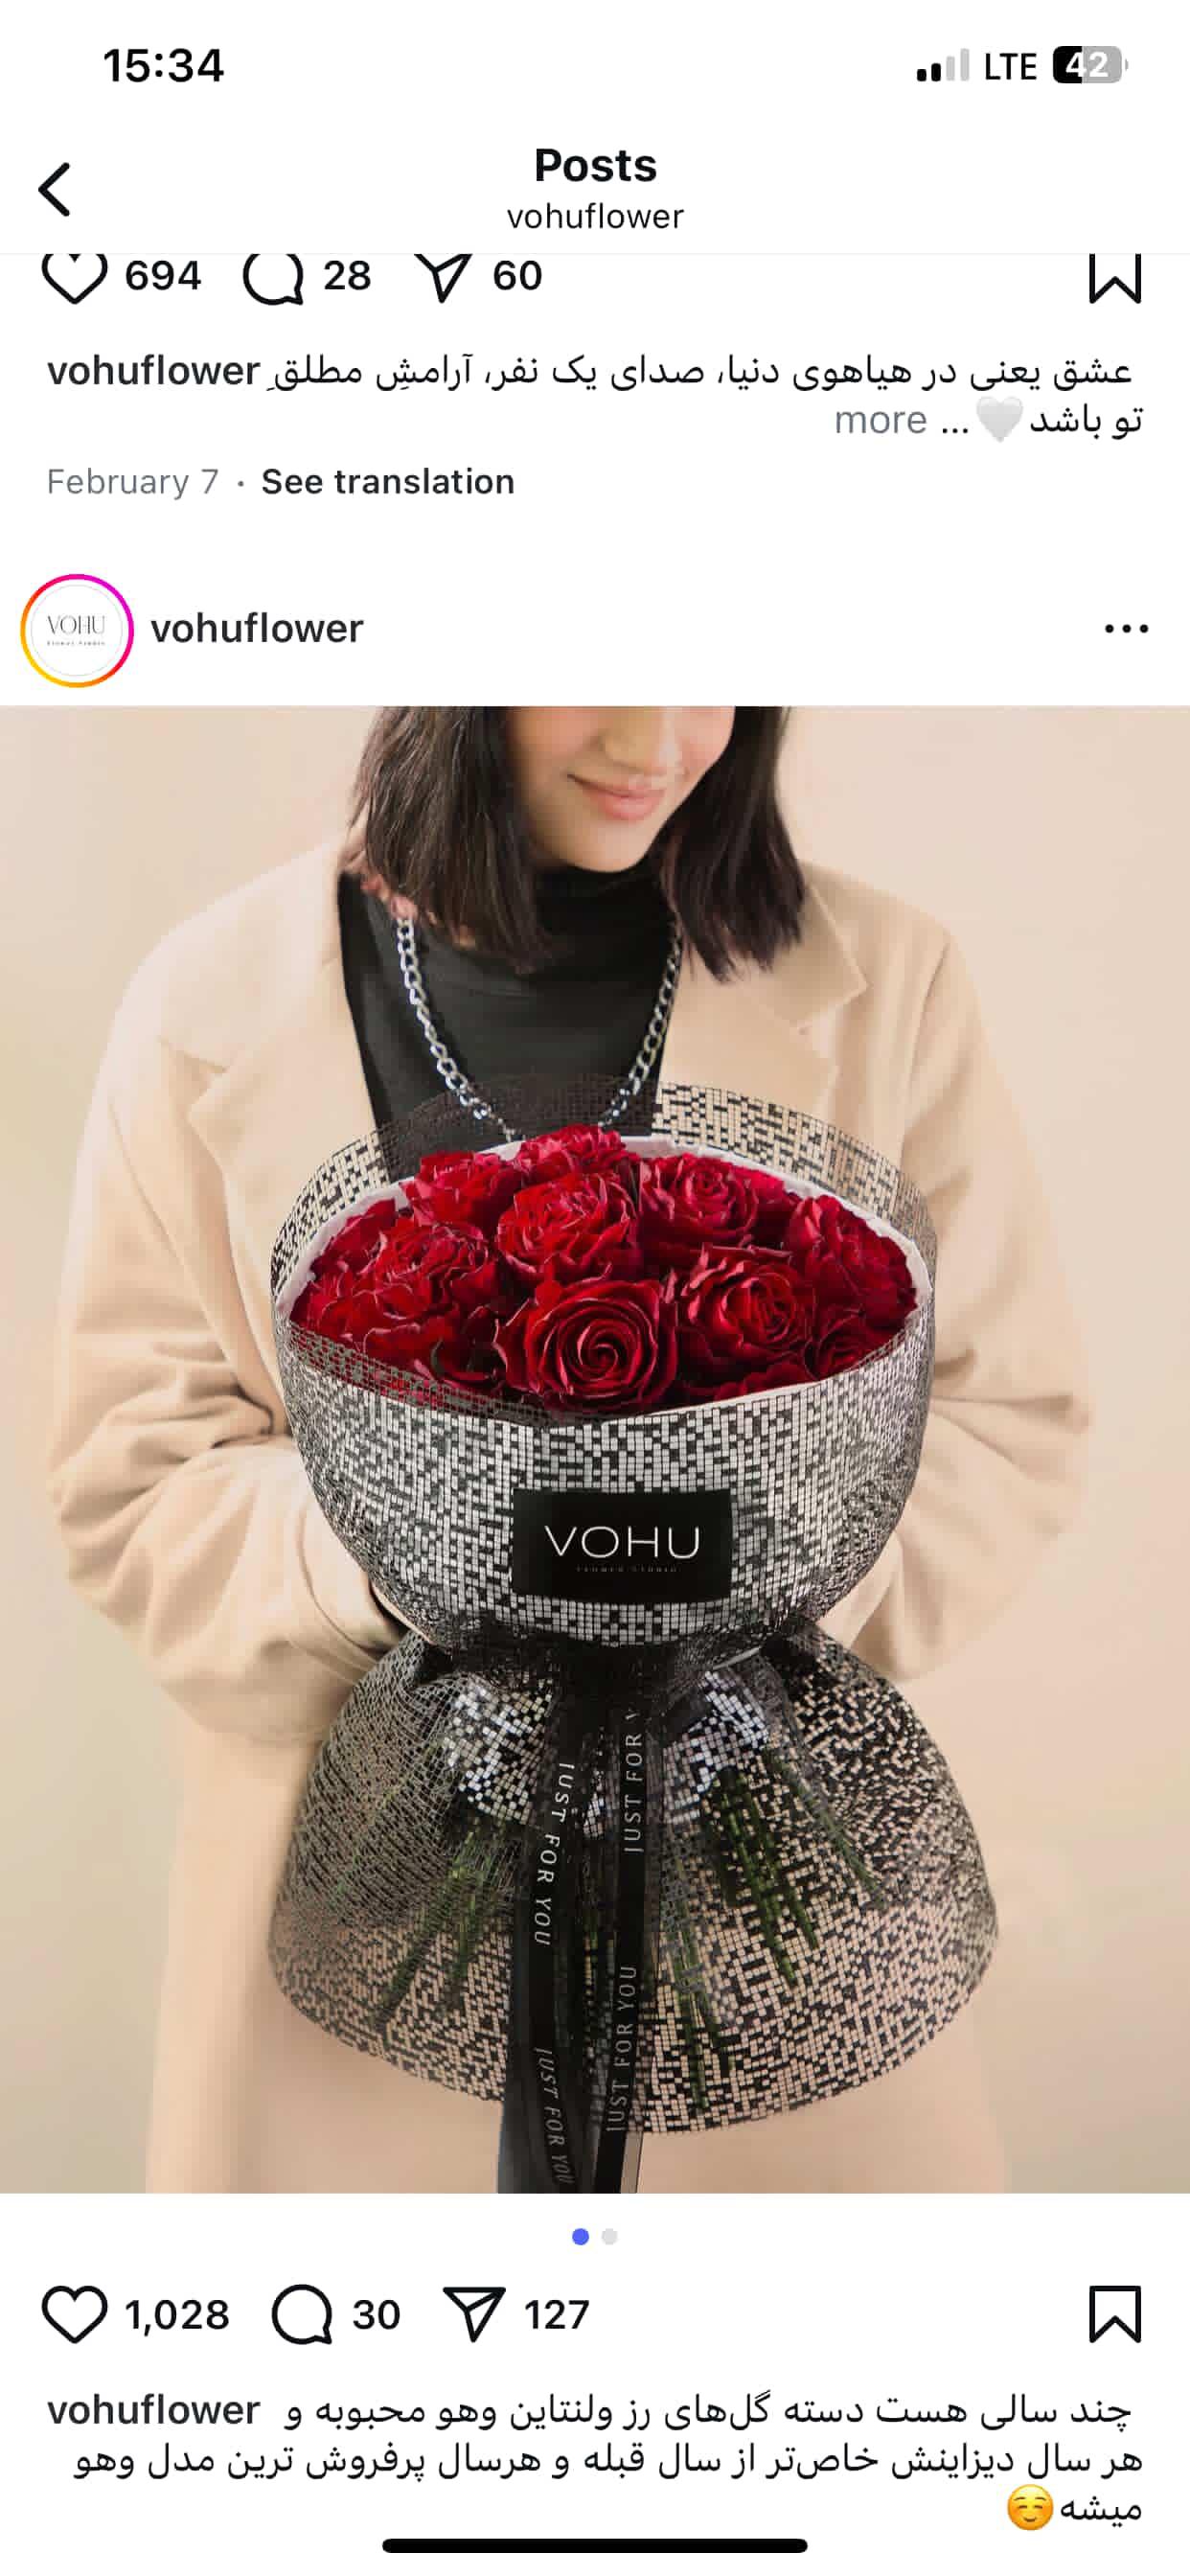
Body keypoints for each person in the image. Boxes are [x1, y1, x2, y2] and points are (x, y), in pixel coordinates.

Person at [46, 706, 1089, 2193]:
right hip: (351, 1882)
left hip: (765, 1893)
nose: (657, 734)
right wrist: (410, 1554)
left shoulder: (883, 974)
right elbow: (133, 1467)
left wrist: (723, 1598)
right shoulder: (207, 994)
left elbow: (1001, 1413)